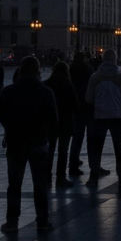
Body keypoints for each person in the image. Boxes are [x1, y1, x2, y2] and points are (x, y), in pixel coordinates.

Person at [0, 56, 58, 234]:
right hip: (38, 141)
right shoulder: (46, 92)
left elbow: (2, 115)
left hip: (15, 142)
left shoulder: (9, 91)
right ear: (38, 71)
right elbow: (53, 119)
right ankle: (42, 221)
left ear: (21, 71)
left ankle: (12, 222)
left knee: (14, 184)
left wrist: (10, 128)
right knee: (40, 184)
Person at [85, 49, 121, 188]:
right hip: (117, 116)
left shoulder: (95, 77)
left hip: (99, 116)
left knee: (96, 147)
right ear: (115, 60)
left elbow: (88, 98)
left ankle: (93, 176)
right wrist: (118, 104)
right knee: (119, 148)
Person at [44, 60, 76, 188]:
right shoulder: (68, 85)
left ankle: (47, 177)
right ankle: (60, 178)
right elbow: (75, 104)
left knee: (49, 151)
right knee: (63, 152)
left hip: (50, 123)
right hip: (65, 123)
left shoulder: (47, 84)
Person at [67, 52, 93, 177]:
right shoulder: (88, 70)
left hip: (75, 106)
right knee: (91, 138)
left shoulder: (70, 70)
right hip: (87, 106)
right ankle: (94, 165)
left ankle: (73, 162)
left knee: (77, 138)